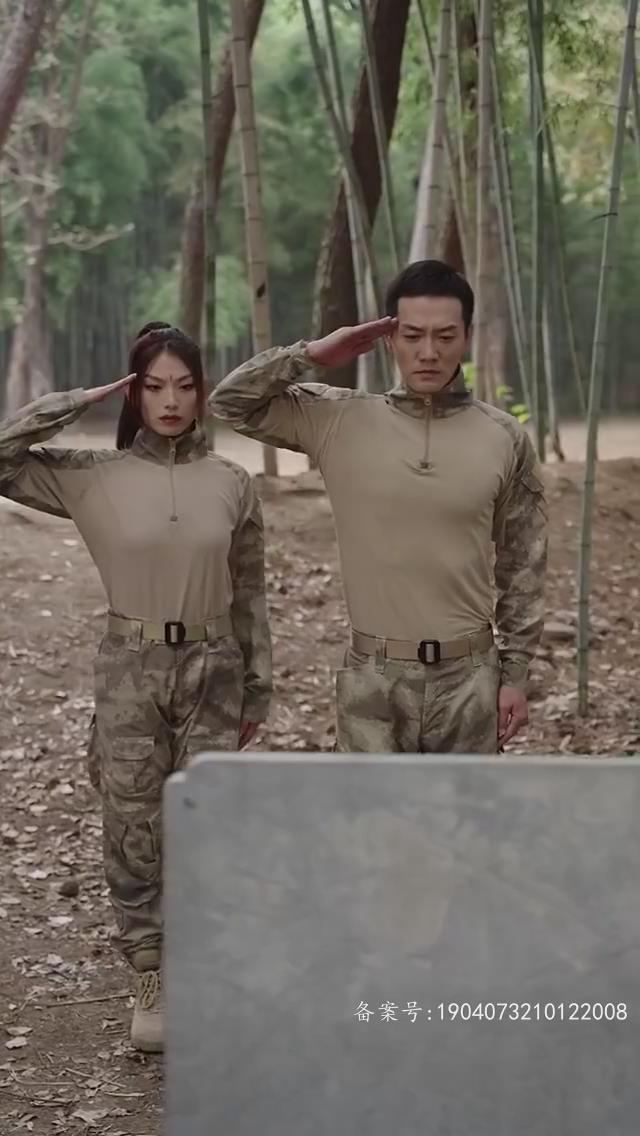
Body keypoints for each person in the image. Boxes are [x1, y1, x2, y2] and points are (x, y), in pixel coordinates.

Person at [0, 321, 272, 1053]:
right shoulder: (93, 476)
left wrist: (258, 686)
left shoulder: (232, 482)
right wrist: (76, 401)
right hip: (130, 665)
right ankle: (150, 972)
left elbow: (250, 592)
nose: (171, 400)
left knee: (203, 821)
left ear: (202, 392)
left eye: (184, 385)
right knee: (132, 824)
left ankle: (201, 964)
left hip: (214, 667)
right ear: (134, 394)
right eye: (154, 386)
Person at [210, 260, 547, 754]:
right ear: (389, 338)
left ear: (467, 337)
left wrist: (515, 673)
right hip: (372, 682)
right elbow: (229, 402)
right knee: (367, 808)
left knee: (463, 808)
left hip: (470, 681)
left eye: (445, 336)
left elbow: (523, 563)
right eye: (412, 335)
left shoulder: (503, 436)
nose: (428, 352)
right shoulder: (338, 419)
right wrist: (310, 354)